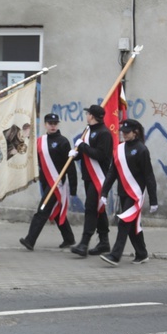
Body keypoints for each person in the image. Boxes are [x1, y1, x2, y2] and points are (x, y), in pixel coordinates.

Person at [99, 119, 158, 266]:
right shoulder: (119, 149)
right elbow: (112, 172)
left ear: (135, 132)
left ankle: (115, 255)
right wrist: (104, 192)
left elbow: (149, 175)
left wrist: (153, 199)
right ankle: (142, 254)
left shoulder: (141, 150)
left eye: (127, 132)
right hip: (123, 193)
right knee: (131, 225)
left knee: (124, 222)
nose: (124, 135)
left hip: (135, 194)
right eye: (122, 132)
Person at [19, 113, 77, 251]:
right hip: (45, 181)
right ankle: (69, 238)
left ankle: (30, 240)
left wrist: (73, 187)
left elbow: (70, 165)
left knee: (42, 210)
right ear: (45, 124)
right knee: (55, 211)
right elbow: (36, 161)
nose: (53, 126)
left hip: (57, 183)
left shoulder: (63, 141)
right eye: (50, 123)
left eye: (55, 123)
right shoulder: (41, 141)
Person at [69, 104, 113, 258]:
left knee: (90, 208)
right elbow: (86, 153)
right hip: (88, 176)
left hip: (100, 177)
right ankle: (104, 242)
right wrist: (76, 155)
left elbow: (99, 155)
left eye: (88, 113)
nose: (86, 115)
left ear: (92, 116)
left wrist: (83, 147)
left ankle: (84, 243)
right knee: (98, 209)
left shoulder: (104, 134)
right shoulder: (88, 130)